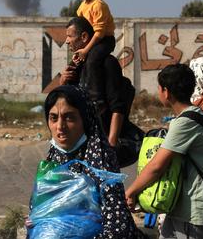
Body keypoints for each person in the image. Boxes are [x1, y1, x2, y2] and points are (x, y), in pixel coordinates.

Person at [30, 85, 147, 239]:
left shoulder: (100, 160)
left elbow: (118, 227)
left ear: (85, 120)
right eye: (53, 118)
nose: (60, 127)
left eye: (69, 117)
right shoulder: (53, 159)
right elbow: (42, 211)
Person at [126, 64, 203, 239]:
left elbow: (157, 165)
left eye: (159, 87)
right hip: (180, 210)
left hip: (195, 213)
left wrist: (131, 191)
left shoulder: (185, 122)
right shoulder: (196, 115)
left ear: (166, 92)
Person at [61, 16, 143, 166]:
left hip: (101, 140)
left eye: (70, 36)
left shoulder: (107, 63)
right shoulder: (77, 66)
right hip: (82, 141)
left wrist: (110, 145)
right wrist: (64, 81)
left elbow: (117, 107)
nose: (67, 41)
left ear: (84, 37)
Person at [72, 0, 116, 104]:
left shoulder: (98, 5)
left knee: (92, 60)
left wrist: (85, 50)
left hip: (104, 41)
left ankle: (97, 97)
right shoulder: (81, 7)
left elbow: (100, 33)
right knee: (75, 62)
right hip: (91, 41)